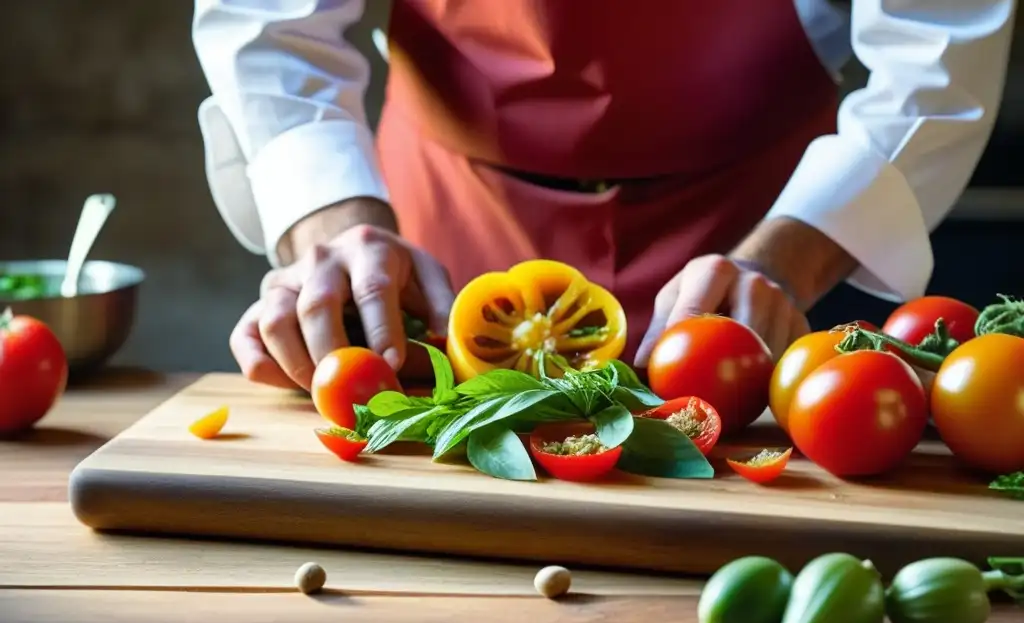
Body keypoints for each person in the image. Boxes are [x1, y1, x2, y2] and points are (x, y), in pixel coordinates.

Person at [191, 0, 1015, 390]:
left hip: (761, 229)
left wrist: (788, 257)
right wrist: (337, 227)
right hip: (440, 225)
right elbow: (268, 24)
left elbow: (935, 48)